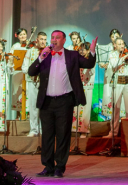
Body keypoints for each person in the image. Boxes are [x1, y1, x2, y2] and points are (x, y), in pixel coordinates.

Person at [28, 30, 97, 178]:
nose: (54, 40)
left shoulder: (72, 55)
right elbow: (31, 72)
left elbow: (89, 63)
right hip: (47, 102)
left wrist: (92, 51)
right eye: (52, 37)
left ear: (64, 40)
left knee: (62, 135)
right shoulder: (45, 56)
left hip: (64, 101)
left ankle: (59, 167)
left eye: (57, 37)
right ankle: (48, 166)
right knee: (47, 136)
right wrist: (40, 57)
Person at [105, 37, 128, 138]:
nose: (122, 45)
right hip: (117, 83)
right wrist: (125, 57)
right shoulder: (112, 54)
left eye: (123, 44)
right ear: (115, 45)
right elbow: (114, 65)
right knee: (115, 109)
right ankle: (113, 132)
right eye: (119, 44)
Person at [22, 32, 47, 136]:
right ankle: (33, 129)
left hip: (45, 83)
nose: (43, 42)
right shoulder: (30, 51)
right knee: (33, 106)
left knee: (44, 107)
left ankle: (43, 129)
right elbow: (24, 67)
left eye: (45, 39)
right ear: (37, 40)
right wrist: (32, 72)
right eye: (41, 39)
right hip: (33, 82)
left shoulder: (48, 52)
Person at [72, 42, 96, 137]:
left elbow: (91, 71)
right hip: (77, 86)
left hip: (87, 86)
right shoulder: (77, 59)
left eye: (84, 49)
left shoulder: (91, 59)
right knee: (76, 108)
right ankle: (75, 128)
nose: (81, 51)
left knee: (85, 108)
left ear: (88, 50)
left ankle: (84, 130)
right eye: (80, 50)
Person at [101, 29, 123, 120]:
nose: (114, 38)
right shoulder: (106, 48)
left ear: (120, 36)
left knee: (119, 95)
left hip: (120, 73)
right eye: (112, 37)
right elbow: (101, 61)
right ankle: (109, 118)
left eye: (116, 36)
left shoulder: (122, 48)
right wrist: (102, 64)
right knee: (108, 93)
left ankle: (120, 117)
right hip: (109, 73)